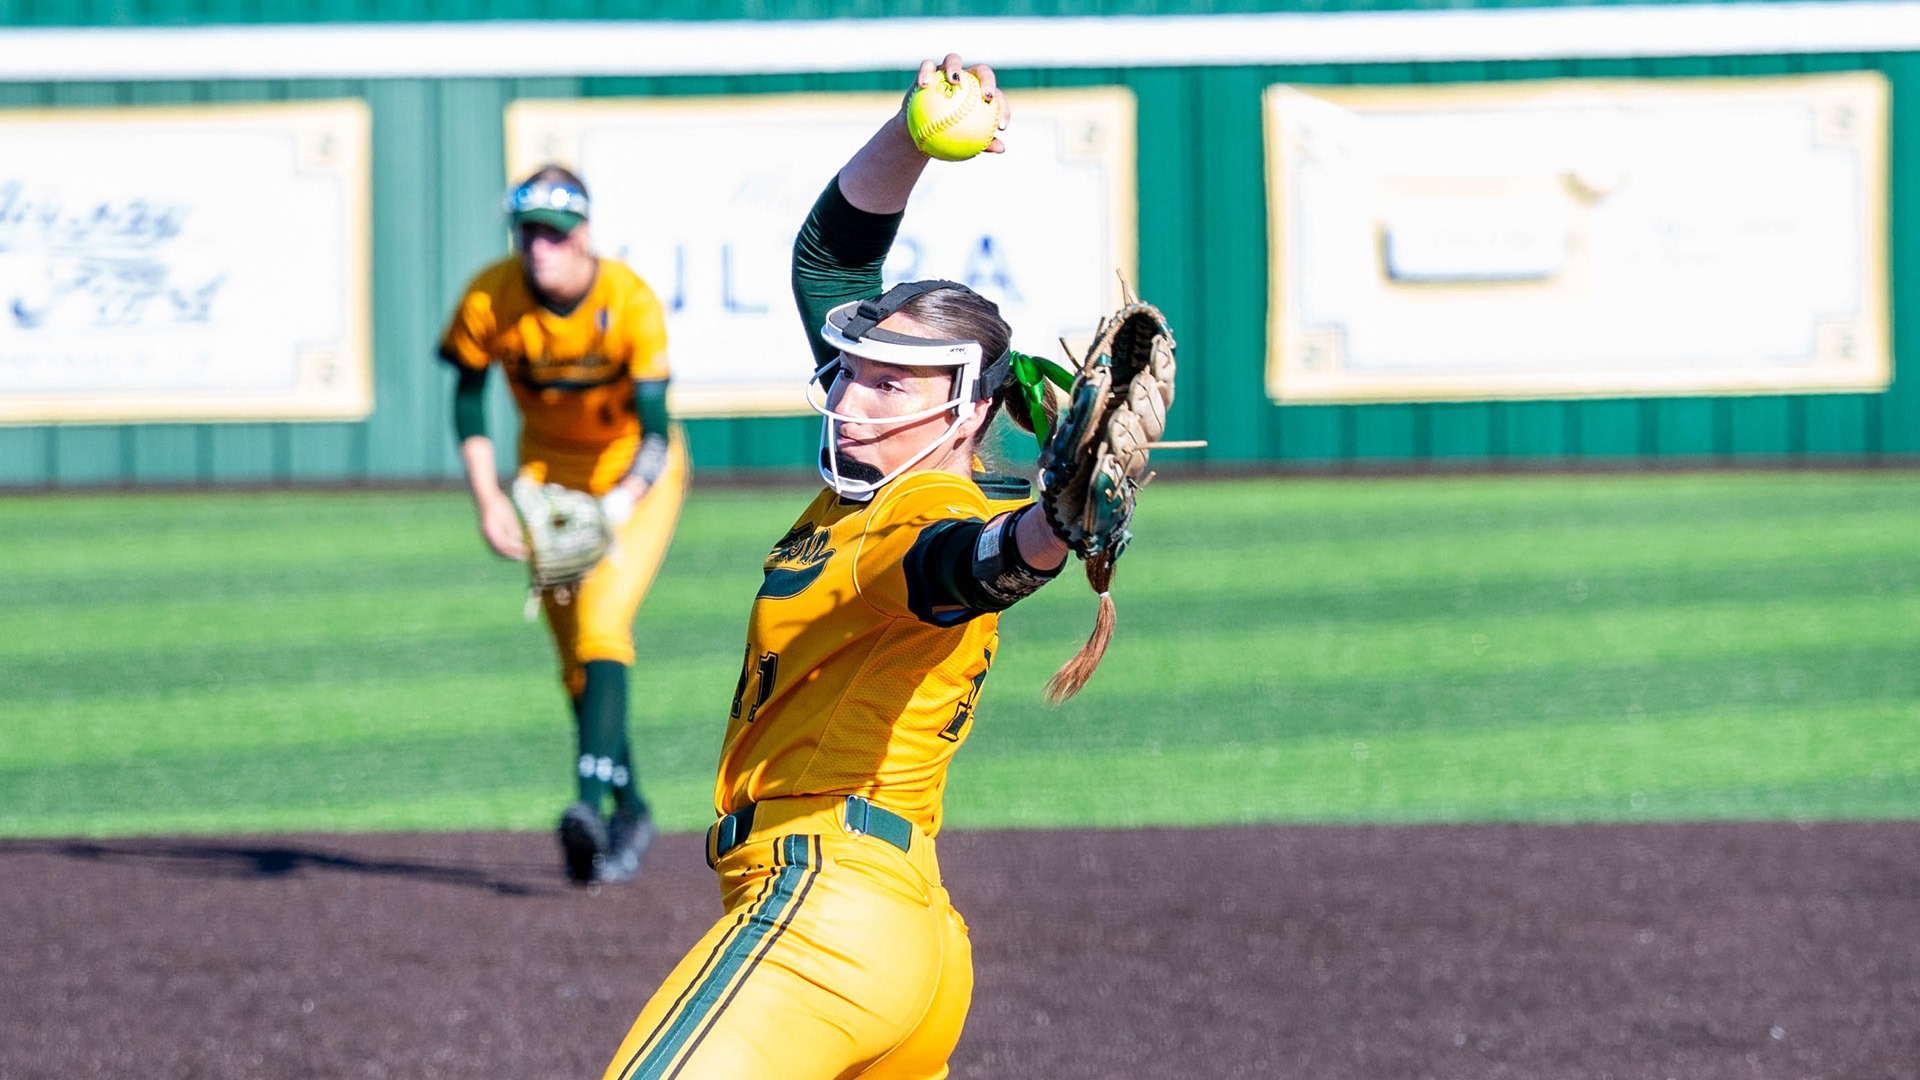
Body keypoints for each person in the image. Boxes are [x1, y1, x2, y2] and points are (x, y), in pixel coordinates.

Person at [597, 55, 1096, 1080]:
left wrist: (1056, 524)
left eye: (887, 384)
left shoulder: (923, 509)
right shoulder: (877, 477)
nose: (847, 398)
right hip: (906, 936)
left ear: (970, 409)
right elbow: (829, 256)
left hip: (827, 915)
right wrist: (914, 134)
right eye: (852, 371)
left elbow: (978, 564)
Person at [438, 164, 690, 885]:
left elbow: (655, 433)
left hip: (632, 477)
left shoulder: (628, 301)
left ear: (583, 234)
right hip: (546, 481)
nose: (538, 246)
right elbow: (467, 399)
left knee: (603, 623)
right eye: (528, 232)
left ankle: (586, 804)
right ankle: (631, 809)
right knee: (576, 662)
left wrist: (617, 506)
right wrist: (489, 499)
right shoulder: (491, 296)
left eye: (553, 232)